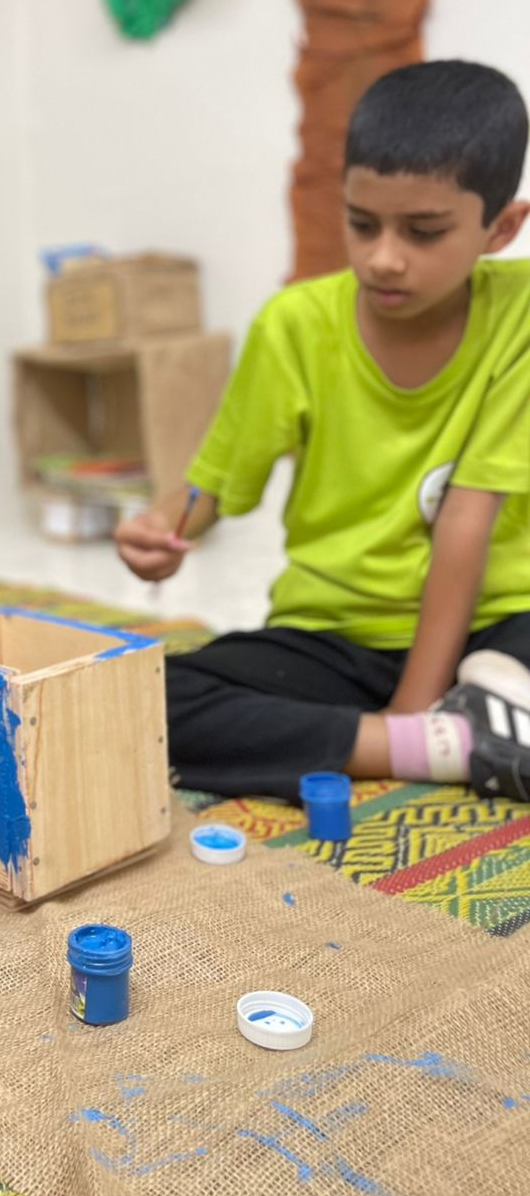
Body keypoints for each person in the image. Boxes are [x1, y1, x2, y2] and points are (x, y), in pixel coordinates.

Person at [116, 60, 530, 804]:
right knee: (142, 701)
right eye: (361, 223)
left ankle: (472, 706)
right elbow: (215, 484)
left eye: (424, 232)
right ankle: (452, 739)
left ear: (500, 228)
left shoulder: (521, 315)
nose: (383, 258)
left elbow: (466, 522)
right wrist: (160, 528)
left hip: (497, 622)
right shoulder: (295, 325)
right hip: (336, 634)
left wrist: (413, 700)